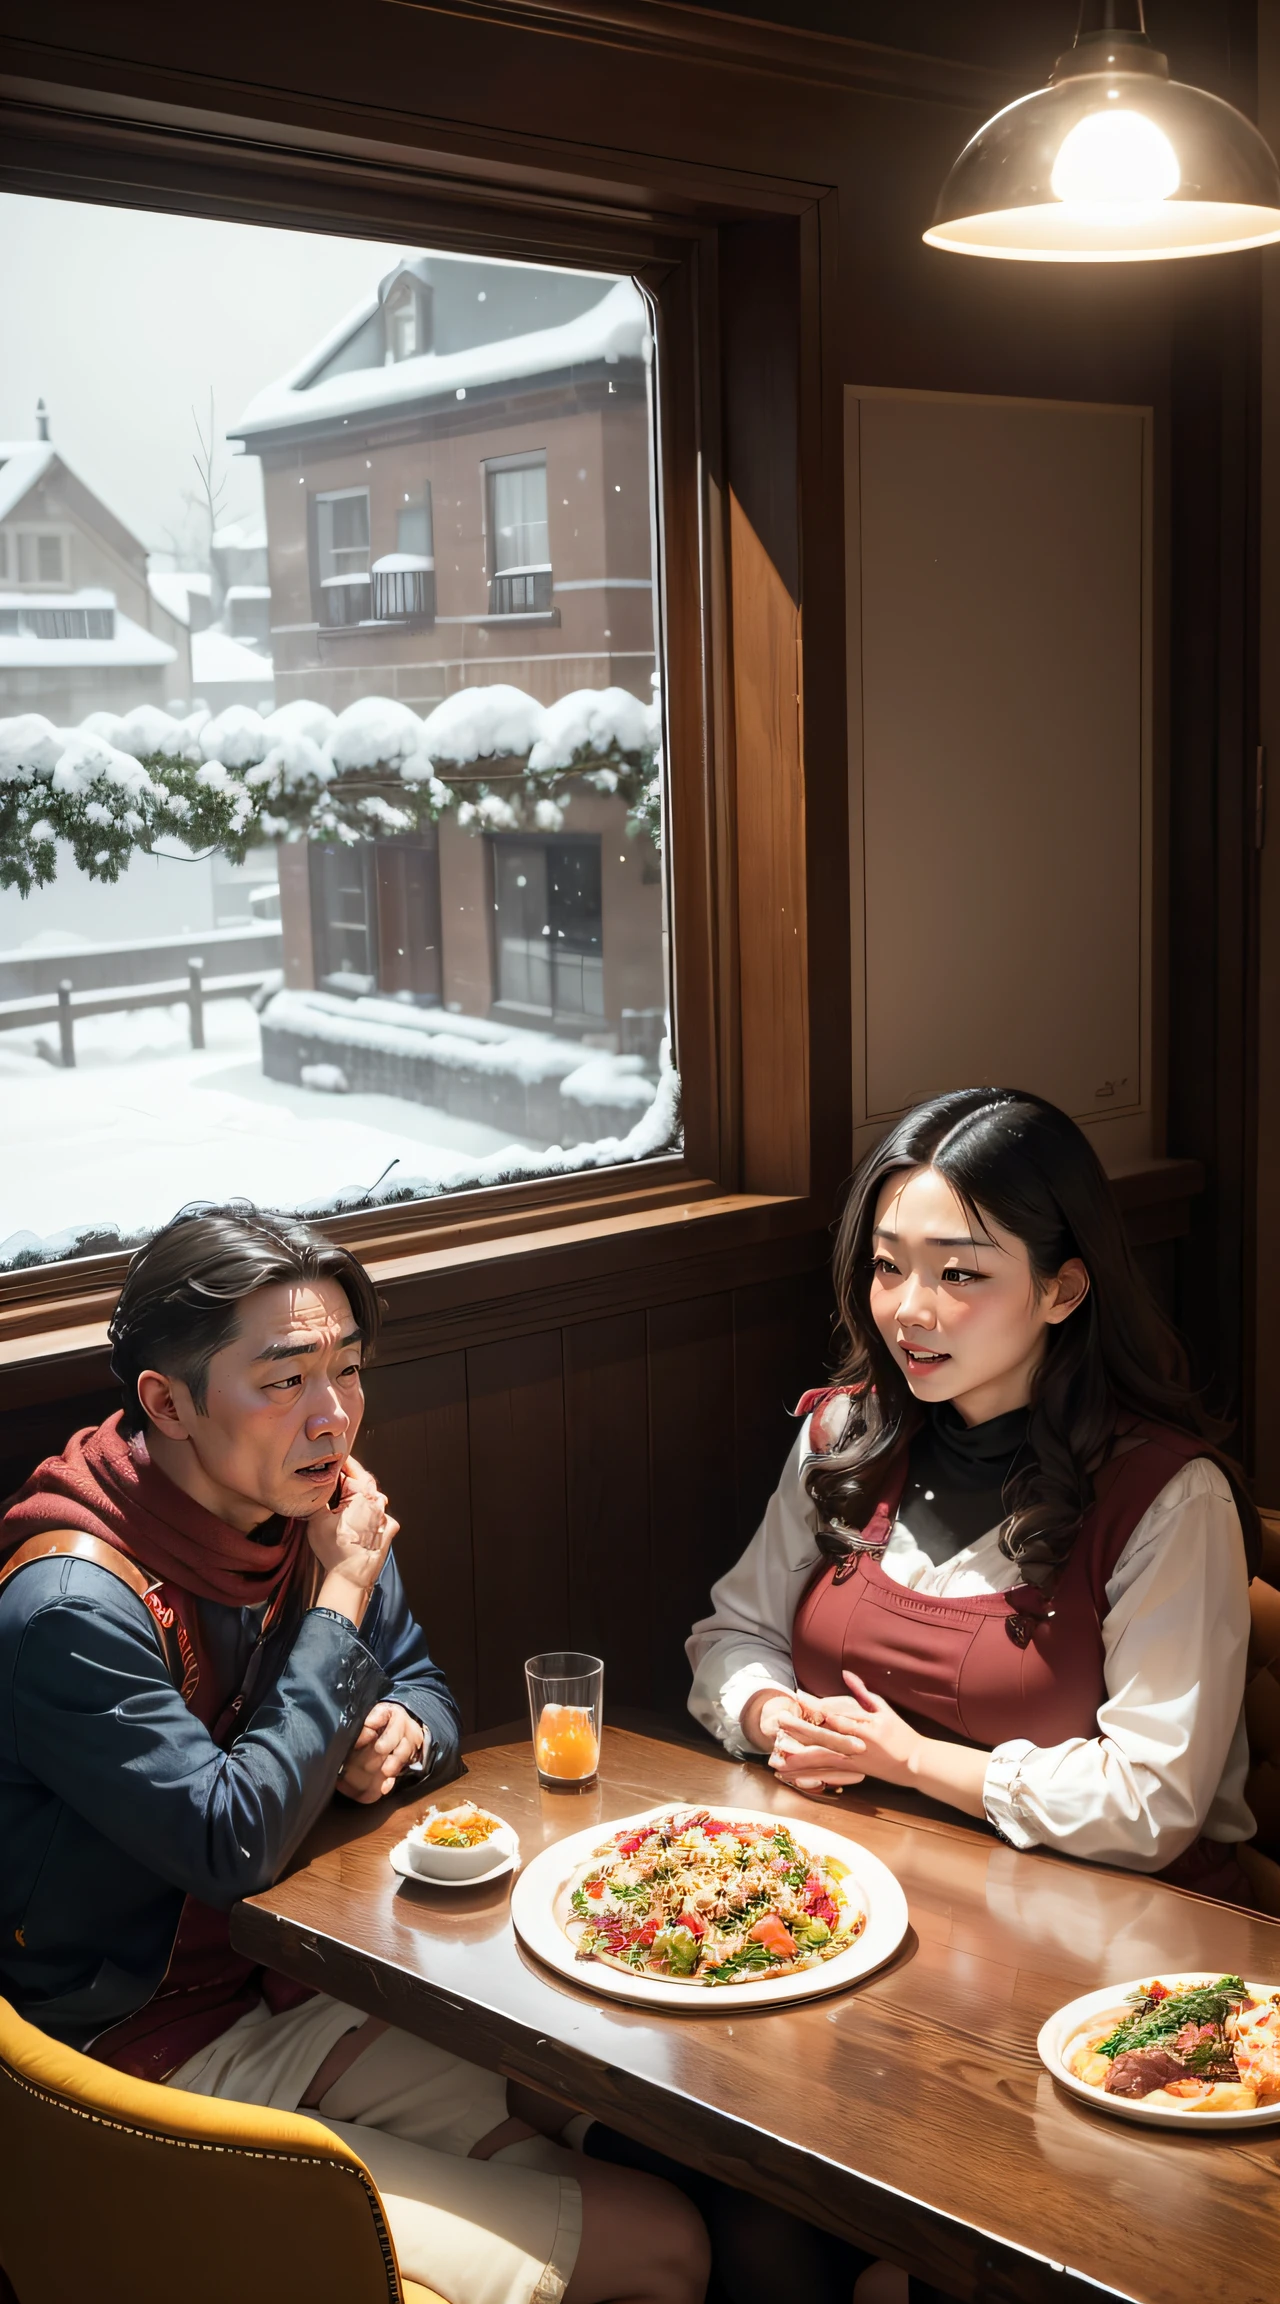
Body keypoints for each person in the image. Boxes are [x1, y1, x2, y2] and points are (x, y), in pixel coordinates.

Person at [0, 1206, 708, 2304]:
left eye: (349, 1371)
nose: (331, 1416)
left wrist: (397, 1736)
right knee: (658, 2241)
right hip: (135, 2066)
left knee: (634, 2142)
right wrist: (339, 1597)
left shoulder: (296, 1512)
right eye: (283, 1380)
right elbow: (229, 1840)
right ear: (167, 1403)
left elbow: (418, 1680)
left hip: (293, 1991)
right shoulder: (70, 1604)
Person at [688, 1088, 1259, 1896]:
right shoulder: (847, 1432)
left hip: (1116, 1937)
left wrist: (913, 1761)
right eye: (888, 1266)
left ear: (1062, 1290)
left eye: (959, 1273)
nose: (907, 1310)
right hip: (859, 1883)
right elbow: (732, 1636)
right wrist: (771, 1716)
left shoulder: (1169, 1497)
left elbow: (1153, 1803)